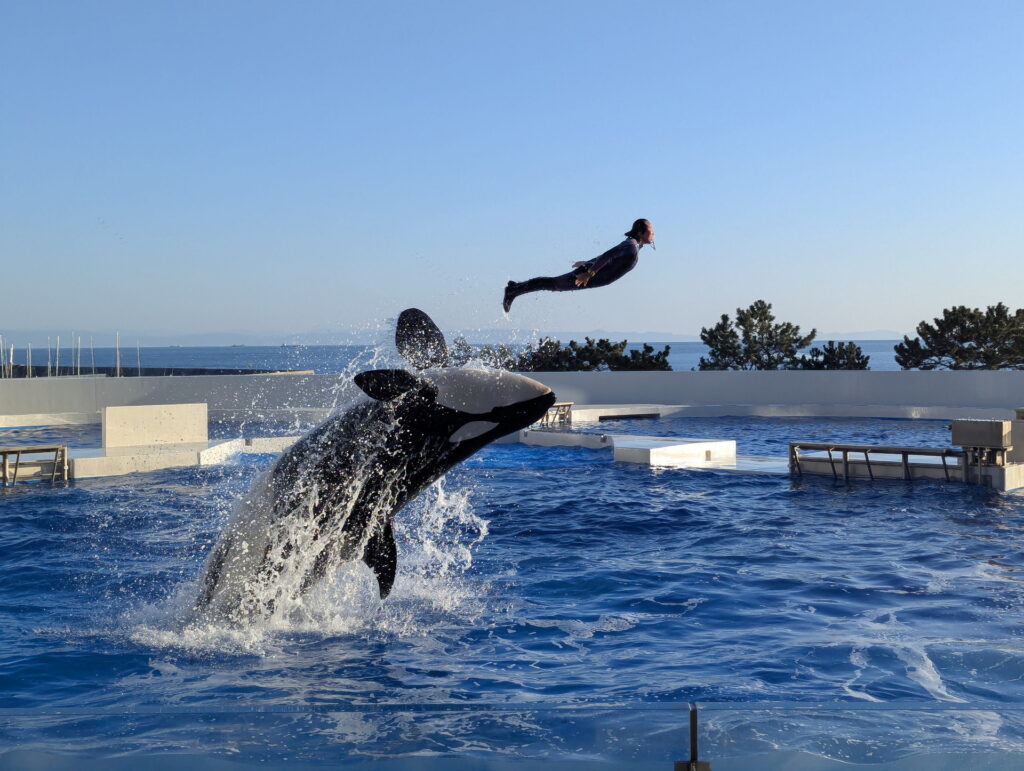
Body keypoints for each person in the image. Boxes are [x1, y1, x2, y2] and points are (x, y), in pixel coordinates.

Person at [502, 219, 655, 313]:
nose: (653, 233)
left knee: (553, 284)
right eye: (650, 231)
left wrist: (588, 263)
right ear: (641, 232)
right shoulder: (631, 246)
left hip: (592, 274)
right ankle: (513, 291)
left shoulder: (632, 245)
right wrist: (589, 272)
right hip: (589, 276)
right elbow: (608, 255)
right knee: (553, 284)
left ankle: (516, 287)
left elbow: (608, 257)